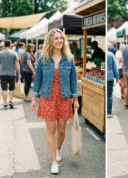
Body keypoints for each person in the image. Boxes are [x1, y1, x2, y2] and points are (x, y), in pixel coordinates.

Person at [31, 28, 79, 174]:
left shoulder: (69, 59)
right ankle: (53, 162)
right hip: (48, 97)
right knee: (51, 130)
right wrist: (34, 97)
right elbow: (38, 78)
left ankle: (58, 149)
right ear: (50, 41)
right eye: (56, 38)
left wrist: (75, 98)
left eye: (61, 38)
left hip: (64, 98)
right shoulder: (43, 58)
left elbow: (73, 80)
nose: (59, 40)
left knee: (62, 131)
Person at [0, 40, 21, 109]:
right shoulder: (14, 53)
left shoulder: (0, 53)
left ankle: (5, 103)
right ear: (10, 45)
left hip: (3, 74)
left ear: (4, 45)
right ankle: (10, 101)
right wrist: (19, 74)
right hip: (12, 74)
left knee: (4, 89)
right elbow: (17, 65)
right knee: (12, 88)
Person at [107, 50, 119, 118]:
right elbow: (114, 66)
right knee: (109, 95)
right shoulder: (110, 54)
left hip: (104, 75)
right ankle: (108, 112)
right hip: (110, 76)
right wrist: (117, 77)